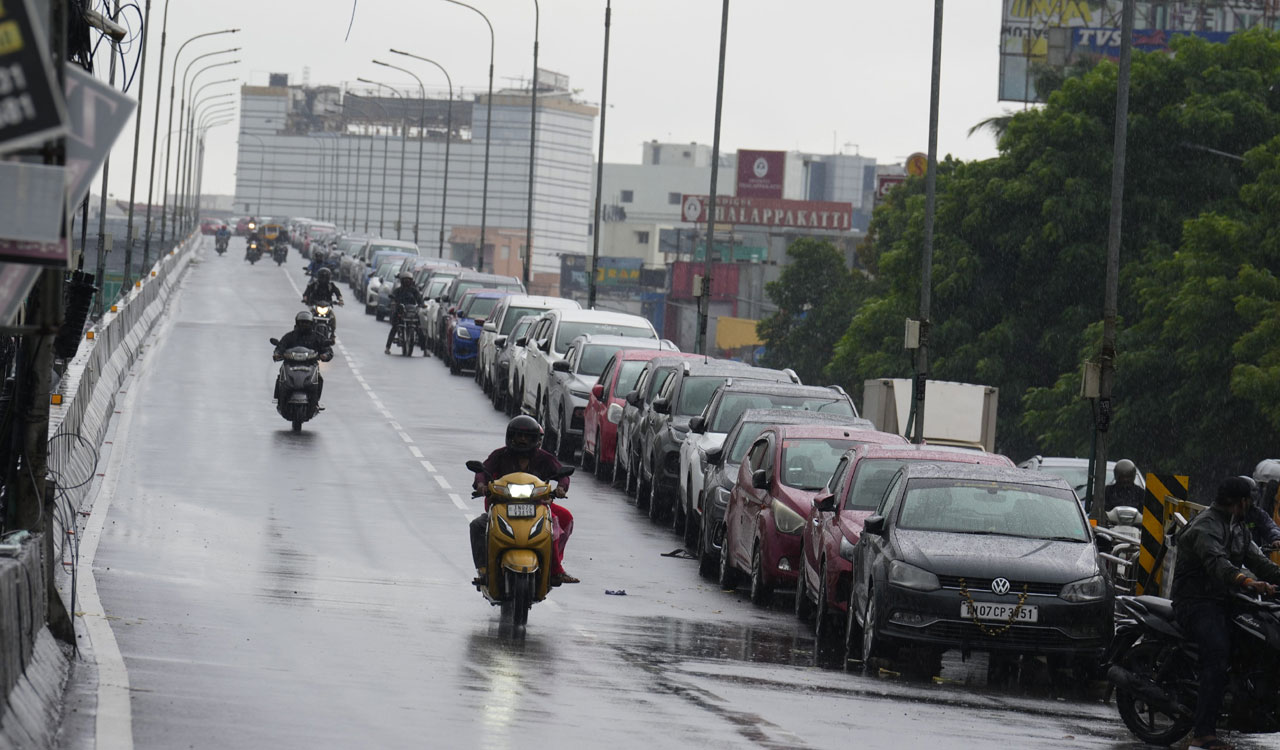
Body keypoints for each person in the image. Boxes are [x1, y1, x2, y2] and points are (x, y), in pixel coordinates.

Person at [1172, 476, 1280, 750]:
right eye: (1250, 501)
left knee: (1260, 637)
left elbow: (1259, 562)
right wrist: (1248, 581)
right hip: (1196, 602)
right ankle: (1203, 734)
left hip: (1225, 599)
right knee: (1217, 656)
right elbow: (1217, 562)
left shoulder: (1239, 527)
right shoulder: (1207, 525)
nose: (1252, 506)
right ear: (1241, 501)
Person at [470, 416, 578, 587]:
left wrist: (561, 488)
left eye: (527, 437)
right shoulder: (499, 455)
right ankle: (484, 570)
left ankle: (554, 568)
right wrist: (482, 485)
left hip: (537, 505)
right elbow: (482, 471)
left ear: (536, 439)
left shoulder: (544, 458)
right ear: (510, 437)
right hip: (501, 504)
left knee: (559, 521)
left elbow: (562, 474)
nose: (522, 440)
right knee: (477, 526)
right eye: (518, 436)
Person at [272, 311, 333, 409]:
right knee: (281, 376)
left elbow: (327, 349)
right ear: (297, 323)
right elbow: (281, 346)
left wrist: (325, 355)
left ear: (311, 323)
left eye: (307, 323)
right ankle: (279, 399)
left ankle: (315, 402)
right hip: (291, 364)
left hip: (310, 365)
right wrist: (277, 354)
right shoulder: (290, 336)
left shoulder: (317, 337)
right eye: (302, 322)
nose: (304, 325)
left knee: (319, 379)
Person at [384, 272, 423, 355]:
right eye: (405, 280)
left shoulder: (414, 291)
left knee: (419, 328)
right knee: (394, 327)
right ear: (401, 281)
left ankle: (425, 350)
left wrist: (422, 304)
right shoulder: (398, 290)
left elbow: (419, 299)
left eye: (408, 280)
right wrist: (394, 302)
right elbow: (393, 296)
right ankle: (387, 347)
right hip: (400, 312)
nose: (407, 282)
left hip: (411, 313)